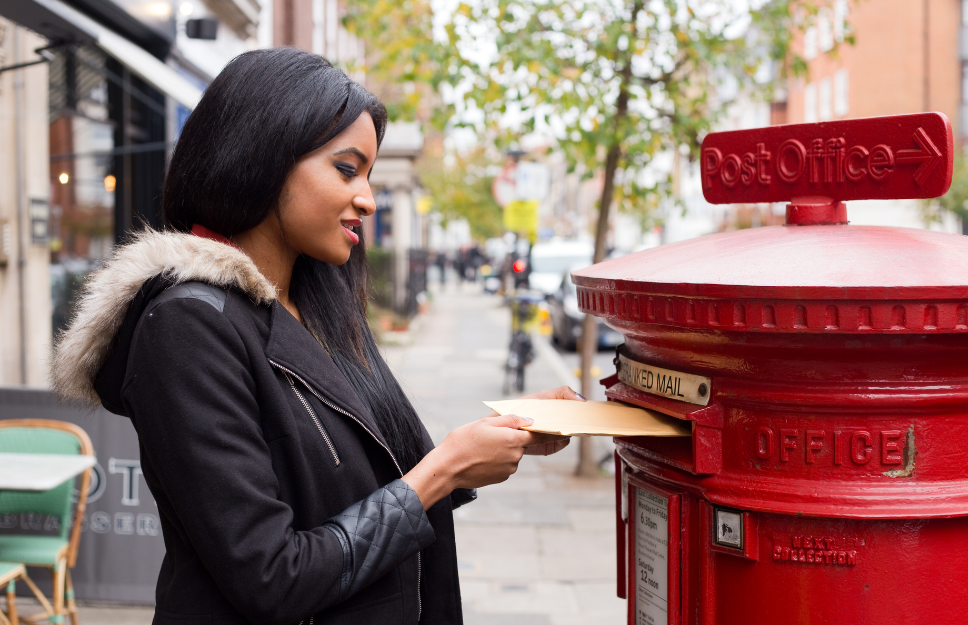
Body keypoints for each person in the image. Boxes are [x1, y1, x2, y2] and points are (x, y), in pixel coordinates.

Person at [52, 48, 577, 625]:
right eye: (346, 169)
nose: (368, 199)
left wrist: (499, 436)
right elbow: (273, 577)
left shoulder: (313, 303)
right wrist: (443, 470)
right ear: (263, 155)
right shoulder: (185, 326)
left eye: (370, 174)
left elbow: (353, 486)